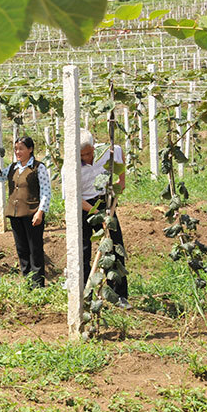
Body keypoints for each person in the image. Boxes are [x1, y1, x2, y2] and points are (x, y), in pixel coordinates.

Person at [0, 136, 51, 288]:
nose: (18, 152)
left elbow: (46, 192)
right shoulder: (13, 168)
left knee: (35, 249)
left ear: (30, 150)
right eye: (16, 149)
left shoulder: (38, 167)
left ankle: (38, 285)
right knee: (22, 249)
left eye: (21, 149)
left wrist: (40, 212)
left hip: (32, 215)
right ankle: (28, 282)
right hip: (15, 215)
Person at [78, 129, 130, 309]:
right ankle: (85, 295)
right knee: (83, 251)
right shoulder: (70, 166)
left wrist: (121, 181)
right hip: (82, 206)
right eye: (82, 155)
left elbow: (119, 153)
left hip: (104, 201)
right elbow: (73, 197)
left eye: (88, 153)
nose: (86, 157)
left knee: (115, 248)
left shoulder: (106, 152)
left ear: (94, 147)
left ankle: (119, 295)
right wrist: (96, 214)